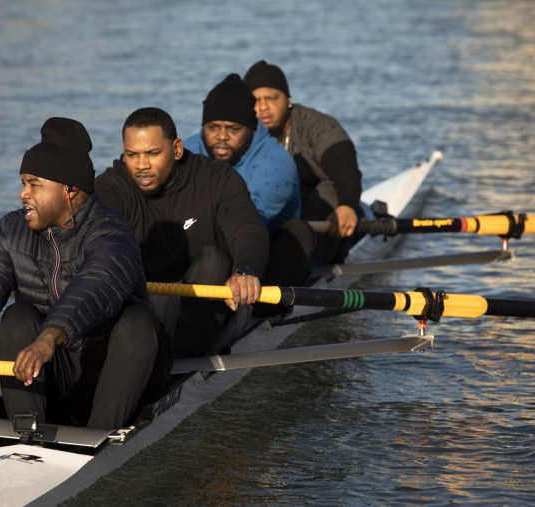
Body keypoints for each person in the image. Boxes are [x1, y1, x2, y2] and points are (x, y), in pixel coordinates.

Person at [0, 117, 170, 431]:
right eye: (23, 183)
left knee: (139, 323)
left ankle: (98, 439)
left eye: (34, 184)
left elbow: (94, 284)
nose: (22, 194)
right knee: (17, 317)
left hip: (118, 374)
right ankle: (26, 435)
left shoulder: (111, 232)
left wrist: (49, 336)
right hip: (56, 369)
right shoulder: (11, 230)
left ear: (69, 189)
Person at [95, 107, 268, 358]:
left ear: (176, 149)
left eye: (152, 153)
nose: (142, 165)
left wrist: (246, 271)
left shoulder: (218, 179)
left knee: (213, 260)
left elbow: (248, 229)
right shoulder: (110, 188)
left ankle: (178, 365)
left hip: (210, 300)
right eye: (132, 155)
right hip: (144, 303)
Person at [183, 73, 315, 286]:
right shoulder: (187, 151)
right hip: (205, 253)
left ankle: (267, 311)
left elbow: (244, 220)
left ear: (251, 129)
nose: (222, 136)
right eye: (213, 127)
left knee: (298, 232)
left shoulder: (276, 162)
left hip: (264, 261)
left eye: (233, 129)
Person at [244, 60, 363, 266]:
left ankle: (308, 266)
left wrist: (347, 204)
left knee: (329, 191)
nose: (263, 107)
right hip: (274, 214)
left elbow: (344, 164)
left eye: (272, 98)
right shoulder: (240, 134)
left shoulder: (317, 125)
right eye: (255, 100)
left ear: (288, 99)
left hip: (322, 213)